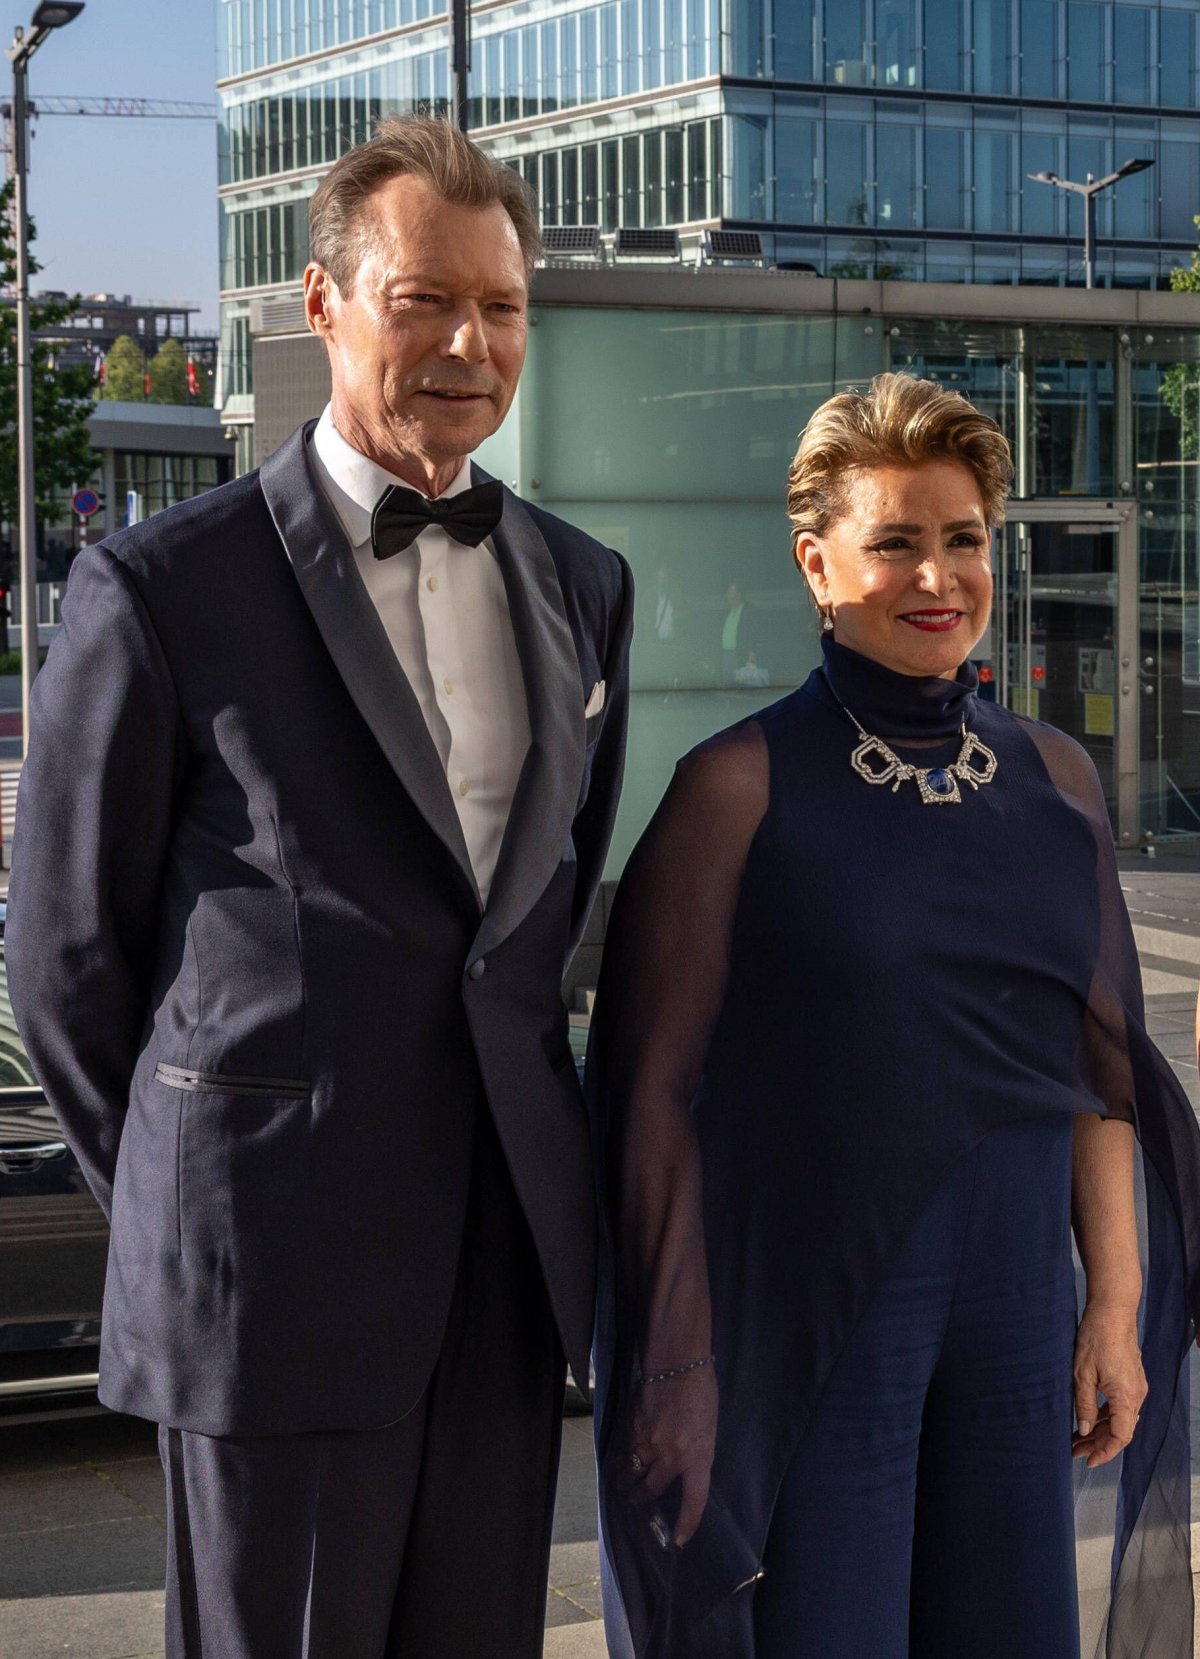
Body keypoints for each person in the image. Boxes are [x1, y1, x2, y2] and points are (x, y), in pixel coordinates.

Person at [7, 116, 632, 1659]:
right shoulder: (161, 586)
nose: (471, 343)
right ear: (323, 305)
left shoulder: (585, 583)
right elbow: (66, 962)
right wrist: (202, 1209)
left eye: (502, 306)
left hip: (503, 1277)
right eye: (426, 299)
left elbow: (534, 925)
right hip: (268, 1291)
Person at [589, 372, 1200, 1659]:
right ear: (817, 566)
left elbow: (1099, 1073)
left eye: (964, 538)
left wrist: (1115, 1305)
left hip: (1019, 1321)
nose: (938, 576)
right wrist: (673, 1370)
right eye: (895, 542)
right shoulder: (733, 790)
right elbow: (650, 1109)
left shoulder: (1057, 778)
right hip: (817, 1326)